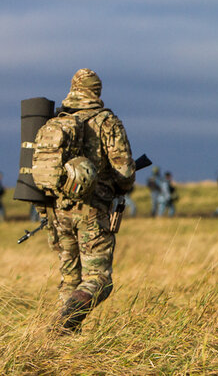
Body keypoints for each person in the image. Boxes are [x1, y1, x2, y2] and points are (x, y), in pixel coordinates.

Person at [44, 69, 136, 334]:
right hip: (93, 211)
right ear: (97, 91)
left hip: (59, 211)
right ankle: (62, 324)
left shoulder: (58, 120)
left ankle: (61, 343)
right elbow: (125, 172)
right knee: (99, 280)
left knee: (70, 280)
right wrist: (120, 186)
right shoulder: (107, 122)